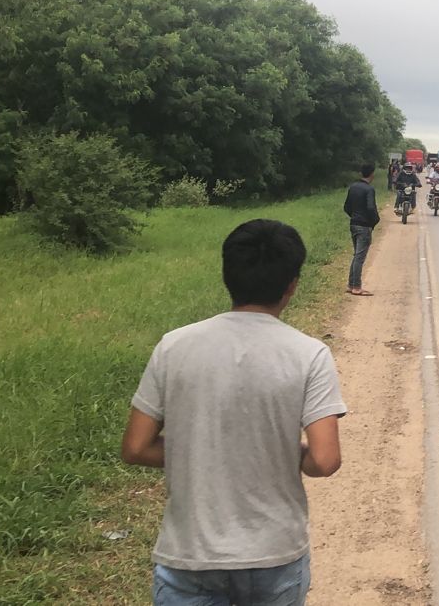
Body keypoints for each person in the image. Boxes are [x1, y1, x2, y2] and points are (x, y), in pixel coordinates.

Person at [121, 219, 346, 606]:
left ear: (227, 275)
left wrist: (200, 452)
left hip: (189, 554)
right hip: (274, 555)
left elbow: (136, 448)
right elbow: (324, 461)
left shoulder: (174, 347)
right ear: (292, 284)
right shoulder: (309, 355)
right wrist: (274, 455)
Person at [343, 164, 380, 296]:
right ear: (372, 174)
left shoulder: (353, 187)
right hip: (364, 226)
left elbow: (346, 206)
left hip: (353, 224)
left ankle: (351, 284)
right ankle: (357, 287)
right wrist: (375, 220)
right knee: (359, 257)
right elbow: (370, 207)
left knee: (356, 255)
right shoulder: (369, 189)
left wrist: (354, 216)